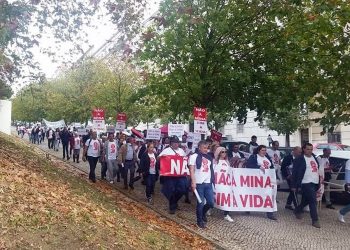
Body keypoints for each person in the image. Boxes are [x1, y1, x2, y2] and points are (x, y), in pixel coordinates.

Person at [291, 143, 321, 228]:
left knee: (307, 200)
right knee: (313, 200)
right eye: (308, 149)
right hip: (306, 182)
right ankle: (315, 220)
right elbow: (294, 173)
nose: (310, 151)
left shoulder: (314, 157)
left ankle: (297, 210)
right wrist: (293, 185)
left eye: (311, 149)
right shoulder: (299, 159)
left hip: (315, 182)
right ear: (304, 149)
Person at [189, 140, 215, 228]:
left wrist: (212, 181)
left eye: (207, 148)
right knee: (200, 203)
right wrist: (193, 182)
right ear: (199, 147)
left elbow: (211, 170)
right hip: (199, 183)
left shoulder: (209, 157)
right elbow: (191, 170)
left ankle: (203, 213)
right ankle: (199, 220)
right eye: (204, 148)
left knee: (211, 203)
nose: (206, 150)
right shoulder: (193, 156)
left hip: (208, 183)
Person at [246, 145, 277, 220]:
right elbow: (249, 165)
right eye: (262, 150)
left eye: (265, 150)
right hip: (257, 181)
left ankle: (270, 213)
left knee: (268, 195)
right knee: (254, 194)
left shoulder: (267, 158)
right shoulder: (253, 157)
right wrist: (258, 167)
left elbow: (271, 166)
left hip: (267, 180)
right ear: (259, 150)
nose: (264, 152)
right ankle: (247, 207)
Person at [159, 136, 187, 214]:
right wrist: (163, 158)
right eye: (174, 143)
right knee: (171, 190)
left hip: (180, 175)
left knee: (182, 190)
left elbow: (184, 160)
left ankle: (174, 201)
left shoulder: (181, 151)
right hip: (170, 175)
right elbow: (159, 158)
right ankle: (172, 207)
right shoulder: (166, 150)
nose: (176, 144)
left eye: (177, 143)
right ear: (171, 143)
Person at [214, 146, 234, 222]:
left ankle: (226, 214)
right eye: (222, 152)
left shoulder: (227, 161)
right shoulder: (215, 161)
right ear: (218, 153)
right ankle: (209, 208)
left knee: (227, 198)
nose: (224, 153)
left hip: (226, 184)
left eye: (225, 151)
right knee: (215, 197)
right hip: (217, 183)